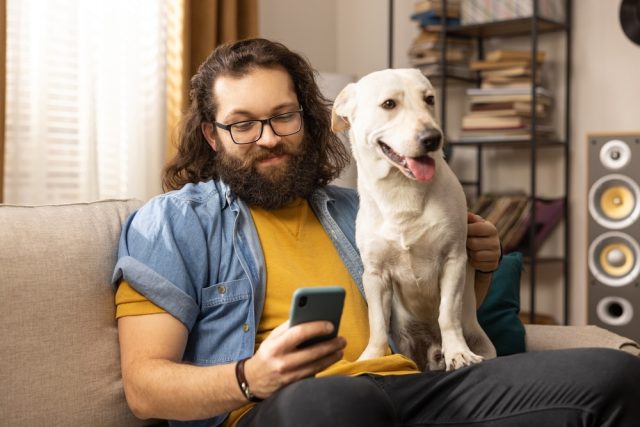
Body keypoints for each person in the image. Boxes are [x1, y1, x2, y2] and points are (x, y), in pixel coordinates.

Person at [112, 38, 640, 427]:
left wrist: (478, 264)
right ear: (212, 133)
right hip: (290, 406)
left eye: (284, 117)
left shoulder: (359, 208)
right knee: (336, 404)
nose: (269, 138)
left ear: (310, 120)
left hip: (415, 385)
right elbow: (144, 388)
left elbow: (442, 311)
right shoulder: (174, 223)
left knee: (614, 374)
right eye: (244, 123)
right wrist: (251, 376)